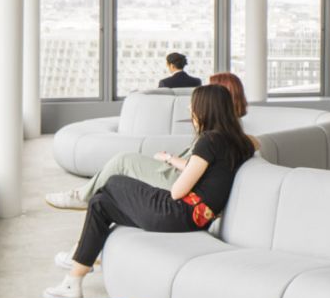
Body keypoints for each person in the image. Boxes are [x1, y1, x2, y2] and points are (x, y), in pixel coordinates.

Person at [43, 85, 254, 298]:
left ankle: (78, 253)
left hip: (178, 213)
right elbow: (210, 170)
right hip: (193, 218)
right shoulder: (239, 142)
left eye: (193, 105)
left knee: (114, 182)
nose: (190, 110)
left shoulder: (209, 140)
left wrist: (173, 172)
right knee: (100, 202)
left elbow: (177, 191)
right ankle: (73, 281)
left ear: (205, 109)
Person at [44, 73, 254, 212]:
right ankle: (84, 205)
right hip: (180, 176)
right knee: (118, 175)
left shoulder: (214, 138)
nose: (190, 109)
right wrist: (170, 158)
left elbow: (182, 185)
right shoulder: (228, 134)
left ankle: (81, 197)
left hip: (178, 185)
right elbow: (199, 165)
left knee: (122, 162)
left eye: (194, 104)